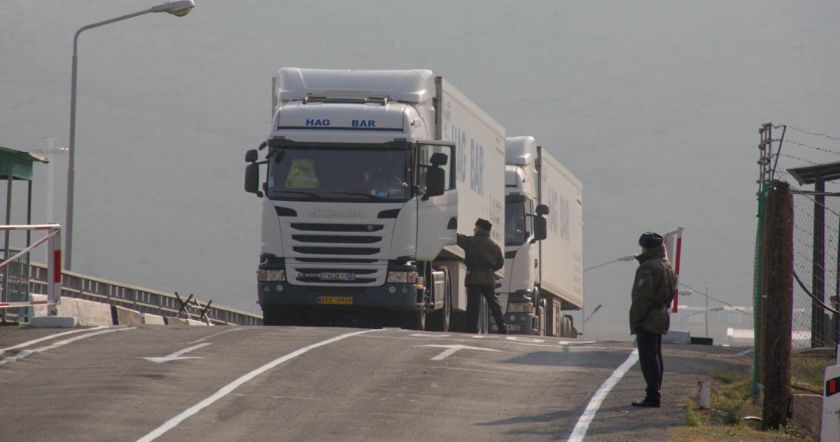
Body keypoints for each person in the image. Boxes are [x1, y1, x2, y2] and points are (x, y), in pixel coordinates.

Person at [629, 232, 677, 408]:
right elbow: (671, 295)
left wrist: (635, 320)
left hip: (648, 317)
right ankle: (655, 392)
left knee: (648, 358)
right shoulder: (667, 266)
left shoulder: (648, 268)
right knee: (656, 355)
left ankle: (652, 396)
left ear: (646, 248)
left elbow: (642, 297)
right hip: (661, 315)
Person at [458, 218, 507, 334]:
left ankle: (471, 329)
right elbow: (500, 263)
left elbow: (458, 239)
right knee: (494, 304)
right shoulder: (495, 247)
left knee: (473, 305)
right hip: (489, 279)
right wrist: (490, 270)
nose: (474, 229)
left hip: (474, 278)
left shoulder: (471, 241)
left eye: (476, 227)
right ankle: (502, 327)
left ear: (479, 229)